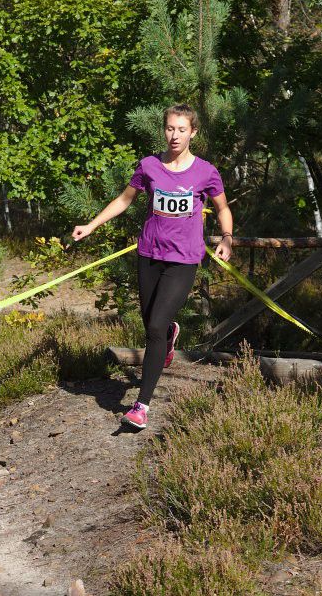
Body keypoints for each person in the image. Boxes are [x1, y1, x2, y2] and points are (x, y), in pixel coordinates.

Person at [72, 104, 234, 429]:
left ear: (193, 133)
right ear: (164, 129)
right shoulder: (149, 165)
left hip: (183, 259)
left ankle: (141, 406)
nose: (175, 135)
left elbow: (222, 208)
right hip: (149, 254)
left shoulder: (205, 172)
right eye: (170, 128)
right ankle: (169, 336)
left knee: (156, 326)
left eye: (182, 129)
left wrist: (227, 238)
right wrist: (91, 226)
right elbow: (124, 199)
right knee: (152, 325)